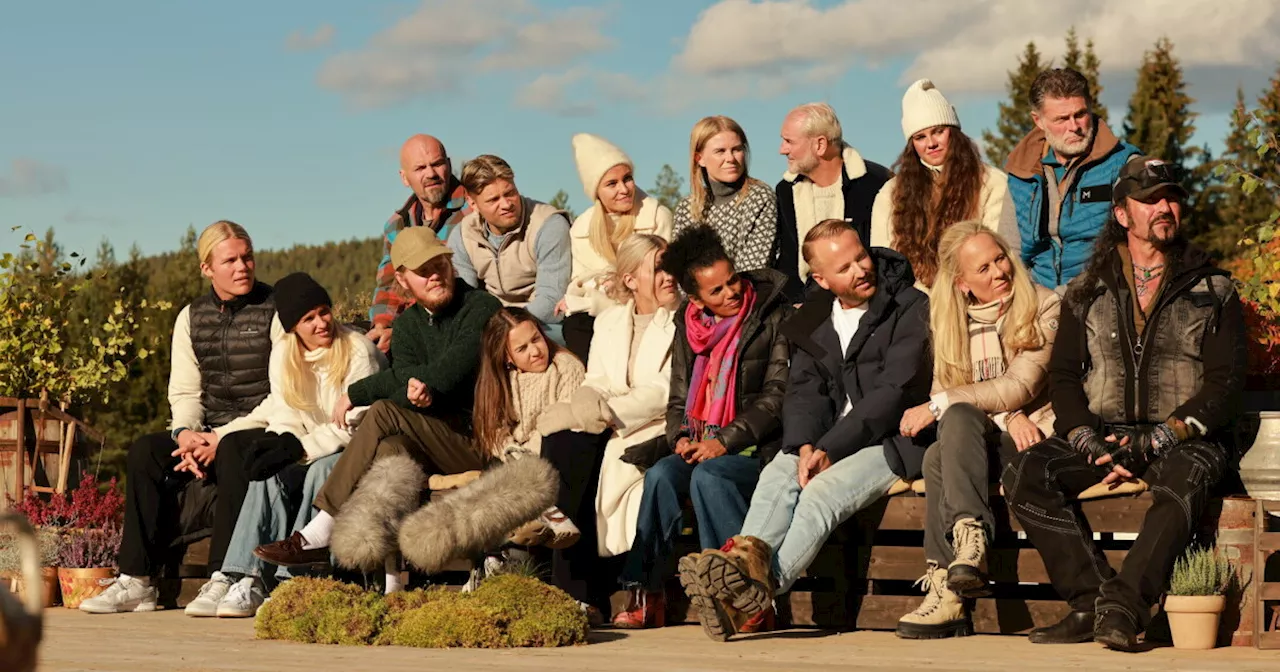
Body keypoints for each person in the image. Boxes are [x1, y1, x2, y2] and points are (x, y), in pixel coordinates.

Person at [1001, 156, 1245, 651]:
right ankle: (1091, 602)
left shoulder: (1213, 288)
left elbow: (1224, 384)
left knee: (1185, 479)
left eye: (1172, 197)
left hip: (1183, 437)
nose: (1164, 207)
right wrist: (1087, 439)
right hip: (1105, 432)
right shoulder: (1085, 290)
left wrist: (1160, 437)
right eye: (1150, 199)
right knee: (1026, 473)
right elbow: (1065, 378)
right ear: (1121, 214)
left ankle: (1125, 607)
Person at [680, 219, 932, 641]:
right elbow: (802, 391)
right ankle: (743, 578)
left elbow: (893, 393)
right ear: (821, 279)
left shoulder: (908, 306)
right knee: (779, 472)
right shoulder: (813, 315)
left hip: (895, 440)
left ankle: (753, 592)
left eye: (861, 257)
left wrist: (830, 448)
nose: (861, 269)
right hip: (826, 440)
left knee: (820, 493)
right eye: (845, 267)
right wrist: (804, 445)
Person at [254, 227, 501, 569]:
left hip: (477, 442)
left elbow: (450, 370)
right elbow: (405, 382)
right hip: (431, 441)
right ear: (402, 280)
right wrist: (418, 394)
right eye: (423, 270)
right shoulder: (409, 325)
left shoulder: (481, 308)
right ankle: (387, 581)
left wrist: (356, 393)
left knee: (384, 411)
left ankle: (320, 529)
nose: (435, 275)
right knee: (389, 448)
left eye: (440, 264)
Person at [81, 221, 284, 614]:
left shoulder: (274, 310)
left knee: (233, 450)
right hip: (209, 432)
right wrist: (186, 434)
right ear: (207, 268)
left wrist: (220, 437)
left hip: (262, 429)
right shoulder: (191, 316)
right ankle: (138, 580)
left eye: (247, 257)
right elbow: (186, 392)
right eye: (230, 260)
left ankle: (224, 576)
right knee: (145, 451)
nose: (243, 267)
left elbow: (283, 395)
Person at [616, 226, 792, 631]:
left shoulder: (772, 314)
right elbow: (679, 397)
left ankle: (745, 595)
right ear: (695, 298)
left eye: (732, 280)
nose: (731, 292)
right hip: (703, 441)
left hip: (757, 449)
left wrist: (722, 441)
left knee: (710, 476)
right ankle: (646, 593)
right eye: (717, 291)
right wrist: (679, 436)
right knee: (661, 475)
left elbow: (778, 396)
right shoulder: (688, 324)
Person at [893, 223, 1060, 639]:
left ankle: (951, 583)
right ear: (963, 284)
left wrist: (944, 404)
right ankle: (961, 558)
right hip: (984, 440)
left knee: (946, 434)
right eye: (982, 268)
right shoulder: (951, 324)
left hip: (1035, 439)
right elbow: (952, 397)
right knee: (944, 439)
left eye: (999, 257)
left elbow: (1021, 386)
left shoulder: (1044, 305)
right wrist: (1005, 415)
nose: (999, 272)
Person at [185, 272, 386, 617]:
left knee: (317, 472)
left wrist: (300, 449)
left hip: (357, 450)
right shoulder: (283, 355)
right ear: (293, 327)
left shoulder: (357, 351)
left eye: (324, 312)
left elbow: (355, 427)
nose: (322, 323)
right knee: (266, 470)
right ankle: (241, 575)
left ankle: (292, 578)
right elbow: (286, 410)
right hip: (312, 443)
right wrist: (282, 441)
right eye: (309, 319)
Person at [533, 234, 679, 621]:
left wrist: (605, 413)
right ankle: (572, 587)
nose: (669, 276)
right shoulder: (612, 320)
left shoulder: (684, 320)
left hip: (652, 424)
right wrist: (584, 405)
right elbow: (596, 378)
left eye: (670, 266)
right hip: (607, 418)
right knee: (561, 440)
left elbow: (666, 390)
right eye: (658, 268)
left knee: (591, 457)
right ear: (630, 280)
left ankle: (582, 588)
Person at [870, 80, 1019, 293]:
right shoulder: (891, 193)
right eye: (920, 137)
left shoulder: (991, 181)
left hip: (977, 296)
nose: (931, 143)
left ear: (953, 131)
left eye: (938, 131)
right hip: (913, 305)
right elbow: (885, 259)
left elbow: (997, 251)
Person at [1005, 68, 1141, 291]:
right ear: (1038, 120)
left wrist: (1064, 297)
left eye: (1080, 114)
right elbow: (1011, 251)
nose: (1074, 127)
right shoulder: (1021, 171)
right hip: (1034, 296)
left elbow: (1136, 250)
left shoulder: (1125, 165)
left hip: (1103, 294)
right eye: (1061, 119)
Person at [472, 306, 585, 549]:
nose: (535, 351)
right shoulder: (500, 381)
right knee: (493, 469)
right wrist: (512, 452)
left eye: (536, 339)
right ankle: (498, 557)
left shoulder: (566, 369)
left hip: (549, 459)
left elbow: (558, 423)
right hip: (514, 461)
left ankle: (541, 525)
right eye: (522, 349)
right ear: (506, 357)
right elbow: (491, 430)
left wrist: (524, 456)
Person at [558, 133, 674, 360]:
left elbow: (665, 275)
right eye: (612, 183)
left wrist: (617, 284)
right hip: (600, 308)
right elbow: (580, 280)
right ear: (596, 191)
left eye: (627, 178)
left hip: (648, 306)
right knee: (574, 325)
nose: (624, 189)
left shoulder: (657, 217)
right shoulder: (582, 229)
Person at [447, 154, 572, 344]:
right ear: (473, 204)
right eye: (493, 200)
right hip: (491, 324)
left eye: (510, 193)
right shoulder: (463, 235)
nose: (506, 204)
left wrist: (504, 331)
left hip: (543, 323)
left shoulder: (548, 224)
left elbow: (551, 301)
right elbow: (466, 301)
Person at [776, 102, 891, 300]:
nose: (782, 150)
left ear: (820, 145)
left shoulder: (877, 184)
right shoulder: (785, 191)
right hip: (804, 307)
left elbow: (886, 259)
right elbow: (787, 263)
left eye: (789, 141)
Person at [367, 134, 470, 354]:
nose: (431, 174)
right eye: (420, 168)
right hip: (414, 330)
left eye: (437, 164)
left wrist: (408, 331)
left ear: (449, 164)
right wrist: (382, 325)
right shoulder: (397, 226)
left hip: (460, 325)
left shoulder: (473, 209)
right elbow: (389, 284)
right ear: (405, 178)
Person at [673, 116, 778, 274]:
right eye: (720, 151)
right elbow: (679, 271)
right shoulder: (686, 209)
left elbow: (752, 270)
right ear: (699, 158)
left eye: (736, 149)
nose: (730, 158)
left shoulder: (759, 197)